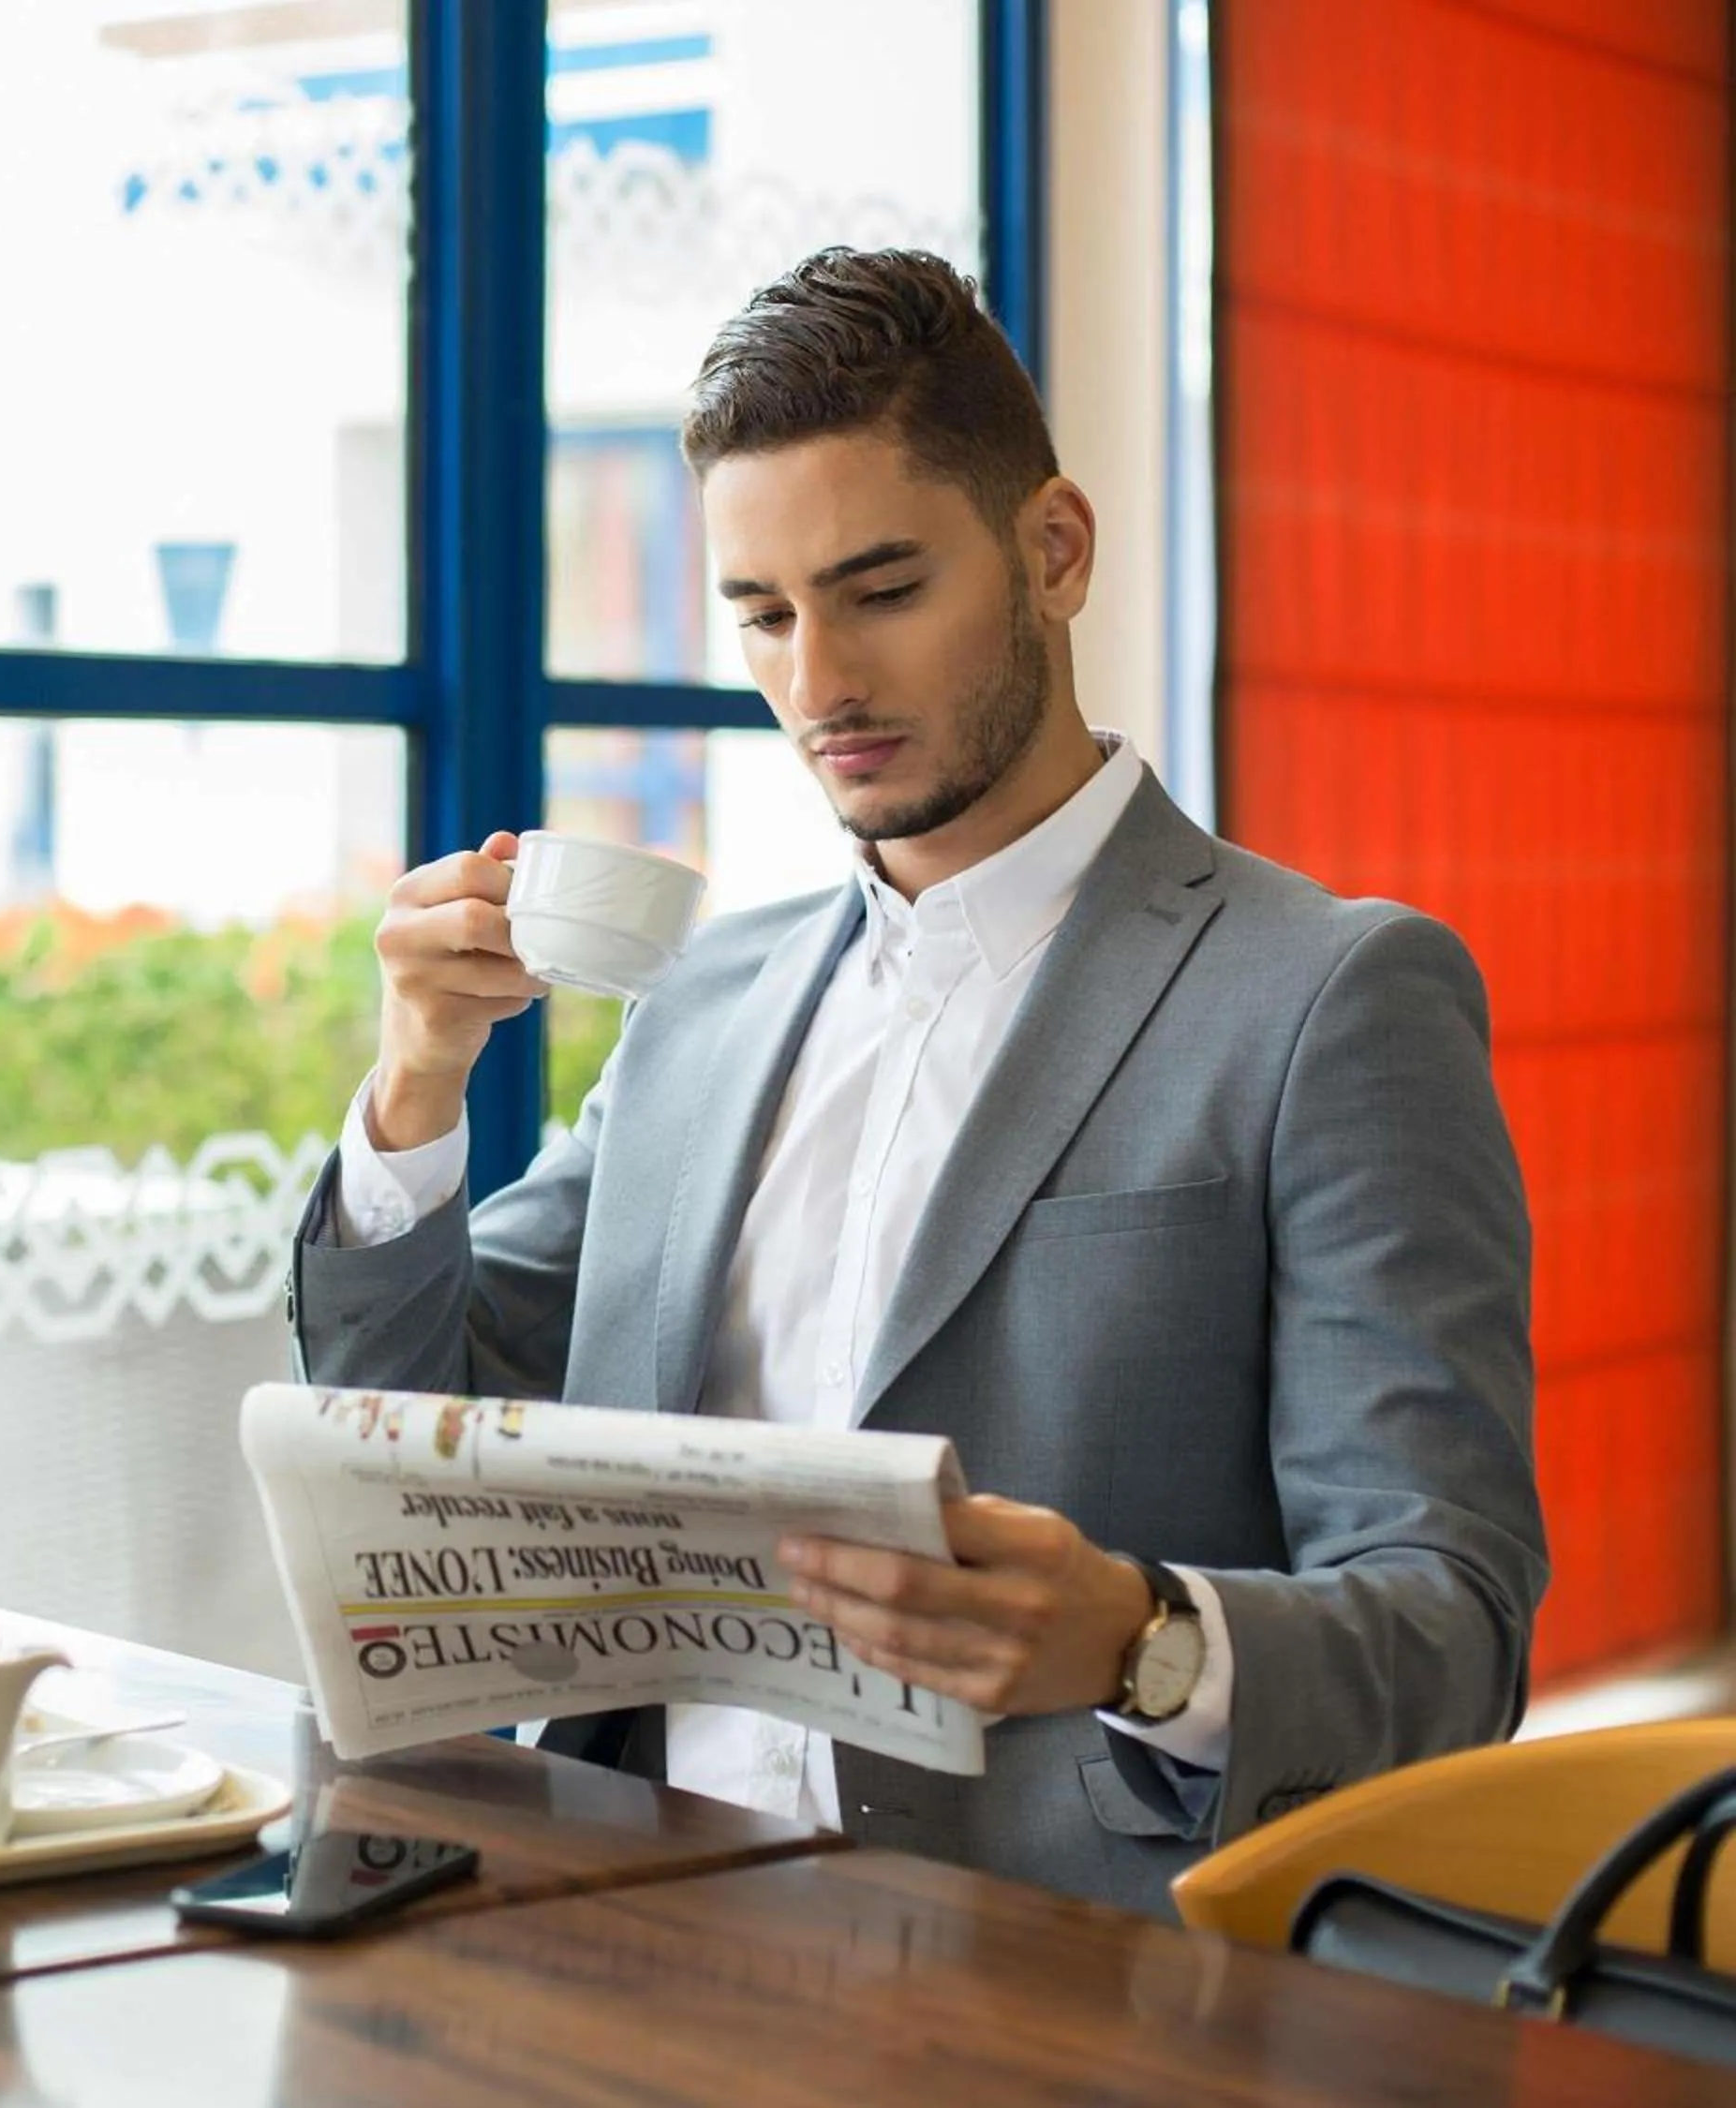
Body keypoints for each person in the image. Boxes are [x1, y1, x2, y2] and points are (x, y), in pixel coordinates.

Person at [285, 245, 1547, 1917]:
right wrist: (417, 1085)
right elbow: (406, 1435)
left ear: (1055, 550)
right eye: (763, 615)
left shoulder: (1328, 997)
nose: (818, 684)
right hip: (615, 1916)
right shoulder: (705, 999)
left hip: (1058, 1967)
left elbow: (1454, 1626)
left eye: (881, 591)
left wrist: (1147, 1638)